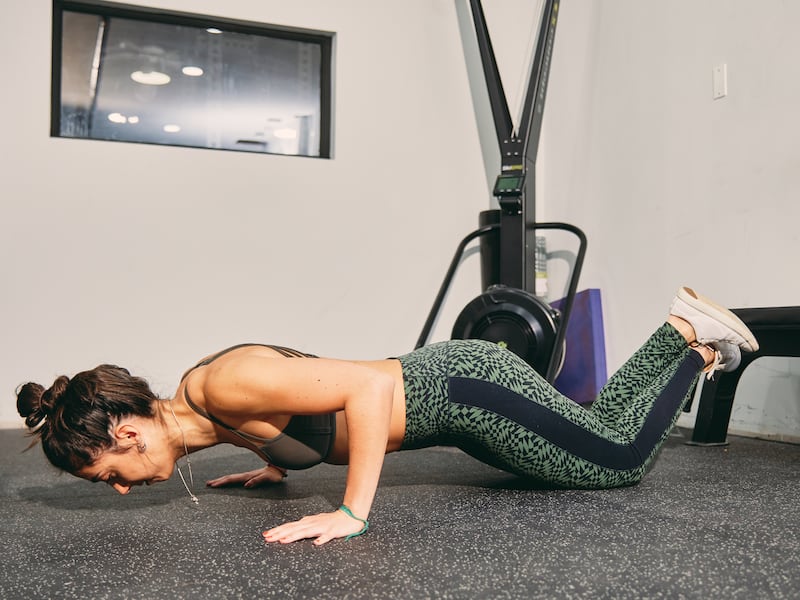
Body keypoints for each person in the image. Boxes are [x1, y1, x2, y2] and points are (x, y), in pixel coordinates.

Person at [16, 287, 758, 545]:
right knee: (599, 442)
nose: (118, 486)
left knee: (618, 462)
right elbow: (295, 407)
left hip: (460, 393)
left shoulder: (224, 383)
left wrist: (352, 513)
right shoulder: (205, 406)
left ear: (127, 432)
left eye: (105, 472)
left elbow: (367, 390)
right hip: (459, 396)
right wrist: (276, 464)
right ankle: (682, 335)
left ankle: (689, 341)